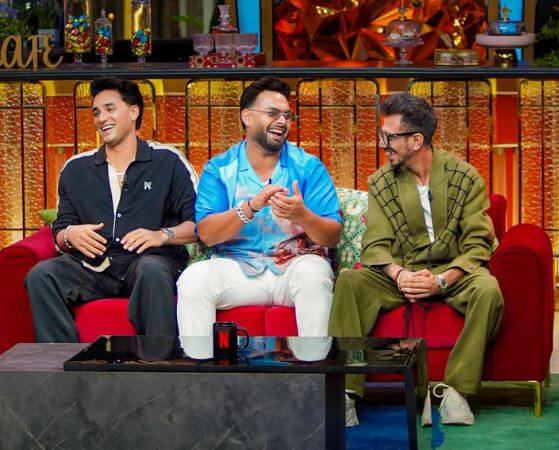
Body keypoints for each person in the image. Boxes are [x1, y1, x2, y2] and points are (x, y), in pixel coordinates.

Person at [328, 92, 504, 427]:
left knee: (488, 289)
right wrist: (399, 275)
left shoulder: (465, 177)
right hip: (400, 274)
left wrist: (442, 280)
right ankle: (346, 392)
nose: (383, 144)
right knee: (350, 281)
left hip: (452, 273)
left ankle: (455, 391)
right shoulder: (381, 182)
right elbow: (375, 243)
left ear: (416, 140)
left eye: (389, 137)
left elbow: (477, 244)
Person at [25, 76, 198, 342]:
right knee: (42, 275)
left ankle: (158, 361)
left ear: (133, 112)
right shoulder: (75, 169)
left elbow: (199, 224)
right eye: (96, 112)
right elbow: (60, 230)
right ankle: (60, 362)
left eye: (109, 109)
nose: (101, 118)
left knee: (151, 268)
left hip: (148, 264)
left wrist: (162, 235)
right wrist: (70, 235)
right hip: (94, 268)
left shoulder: (168, 161)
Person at [176, 76, 341, 339]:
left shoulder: (309, 167)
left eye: (287, 116)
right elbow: (207, 234)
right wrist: (249, 207)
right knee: (193, 280)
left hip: (294, 268)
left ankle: (314, 364)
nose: (282, 121)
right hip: (237, 268)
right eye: (272, 113)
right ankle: (202, 365)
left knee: (314, 273)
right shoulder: (219, 169)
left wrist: (302, 216)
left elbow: (332, 237)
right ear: (247, 116)